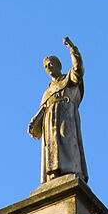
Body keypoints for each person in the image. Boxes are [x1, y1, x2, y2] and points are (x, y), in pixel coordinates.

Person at [28, 37, 86, 184]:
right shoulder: (47, 92)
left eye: (51, 64)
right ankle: (53, 173)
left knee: (67, 139)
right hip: (50, 122)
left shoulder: (68, 79)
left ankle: (71, 170)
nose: (49, 67)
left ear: (59, 65)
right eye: (46, 66)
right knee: (52, 146)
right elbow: (42, 110)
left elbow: (78, 70)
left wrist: (73, 50)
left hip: (66, 116)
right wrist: (34, 122)